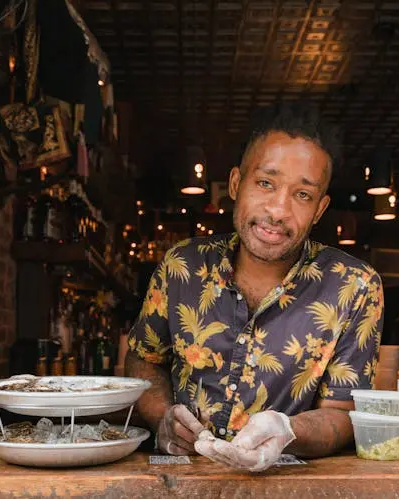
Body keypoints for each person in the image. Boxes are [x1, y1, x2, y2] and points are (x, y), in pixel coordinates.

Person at [125, 101, 384, 472]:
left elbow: (343, 413)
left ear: (320, 210)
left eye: (302, 195)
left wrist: (288, 431)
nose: (278, 210)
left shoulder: (354, 286)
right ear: (235, 183)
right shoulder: (182, 264)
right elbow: (143, 359)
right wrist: (162, 418)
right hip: (181, 485)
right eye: (265, 183)